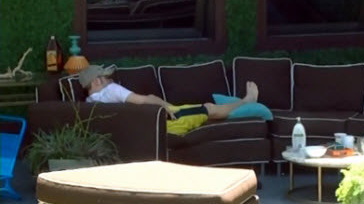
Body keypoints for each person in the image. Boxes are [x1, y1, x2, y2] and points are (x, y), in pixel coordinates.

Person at [78, 65, 259, 135]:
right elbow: (143, 100)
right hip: (166, 123)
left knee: (206, 114)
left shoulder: (89, 105)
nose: (110, 80)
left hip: (147, 129)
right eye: (106, 77)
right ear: (96, 81)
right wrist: (169, 108)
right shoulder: (111, 90)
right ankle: (246, 101)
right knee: (209, 108)